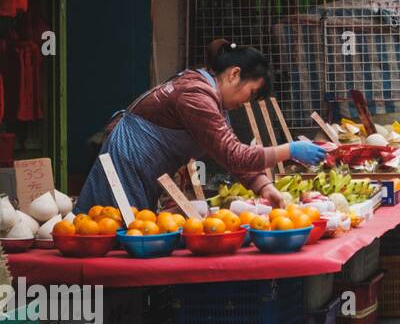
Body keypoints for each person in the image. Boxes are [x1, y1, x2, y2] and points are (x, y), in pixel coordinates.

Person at [75, 40, 325, 214]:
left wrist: (265, 187)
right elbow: (234, 154)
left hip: (144, 170)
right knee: (106, 228)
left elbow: (228, 152)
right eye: (249, 94)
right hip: (126, 163)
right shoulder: (196, 95)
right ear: (234, 74)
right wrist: (289, 150)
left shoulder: (211, 98)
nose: (244, 103)